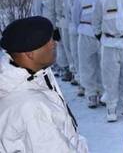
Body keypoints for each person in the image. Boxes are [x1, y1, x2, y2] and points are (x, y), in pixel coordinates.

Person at [0, 16, 88, 152]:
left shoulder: (31, 75)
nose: (54, 44)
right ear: (30, 54)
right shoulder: (32, 108)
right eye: (48, 40)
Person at [72, 0, 104, 108]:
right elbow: (75, 18)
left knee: (103, 65)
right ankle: (91, 94)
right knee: (87, 65)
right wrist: (86, 29)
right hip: (86, 34)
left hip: (102, 35)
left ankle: (103, 92)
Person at [68, 0, 86, 94]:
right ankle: (81, 82)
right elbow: (71, 13)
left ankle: (90, 83)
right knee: (78, 57)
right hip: (76, 30)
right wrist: (78, 27)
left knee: (88, 59)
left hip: (87, 31)